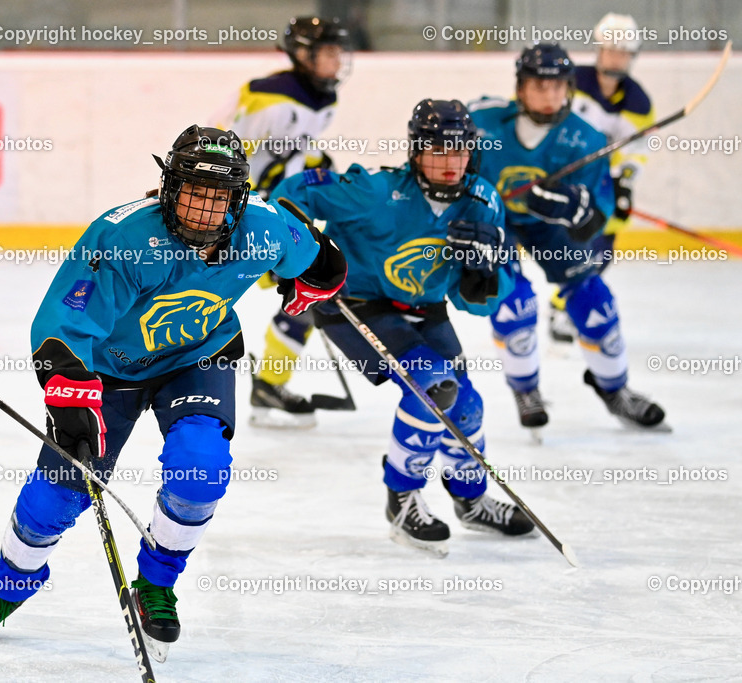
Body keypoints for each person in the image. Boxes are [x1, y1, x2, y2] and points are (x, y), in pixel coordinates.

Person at [0, 125, 346, 660]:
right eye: (193, 193)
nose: (204, 210)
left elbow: (318, 257)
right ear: (168, 187)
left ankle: (156, 584)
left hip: (197, 357)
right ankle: (12, 584)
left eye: (219, 197)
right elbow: (63, 327)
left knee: (200, 468)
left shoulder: (263, 228)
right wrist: (69, 396)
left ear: (240, 199)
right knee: (57, 494)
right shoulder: (123, 238)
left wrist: (318, 277)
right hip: (108, 370)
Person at [271, 100, 535, 556]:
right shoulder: (374, 192)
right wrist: (301, 256)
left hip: (426, 310)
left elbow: (472, 303)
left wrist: (486, 272)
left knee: (466, 406)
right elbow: (291, 195)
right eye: (437, 150)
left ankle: (471, 503)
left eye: (459, 152)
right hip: (356, 304)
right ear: (416, 151)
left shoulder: (484, 201)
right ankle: (403, 498)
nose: (450, 163)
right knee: (433, 388)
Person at [468, 43, 665, 432]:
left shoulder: (586, 140)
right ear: (520, 89)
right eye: (539, 86)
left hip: (548, 227)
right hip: (496, 220)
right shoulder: (484, 125)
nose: (549, 96)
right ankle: (525, 388)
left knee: (593, 298)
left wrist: (572, 209)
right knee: (513, 299)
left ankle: (616, 389)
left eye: (557, 87)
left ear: (570, 90)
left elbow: (597, 219)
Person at [212, 16, 351, 428]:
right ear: (303, 54)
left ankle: (269, 383)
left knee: (311, 285)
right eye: (328, 52)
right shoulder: (267, 100)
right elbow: (221, 151)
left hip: (271, 211)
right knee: (210, 297)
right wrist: (248, 194)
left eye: (338, 53)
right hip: (238, 216)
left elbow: (293, 151)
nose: (337, 61)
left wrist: (315, 165)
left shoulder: (322, 101)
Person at [548, 13, 655, 343]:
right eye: (610, 50)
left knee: (604, 245)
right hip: (560, 174)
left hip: (601, 181)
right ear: (599, 49)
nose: (615, 57)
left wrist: (624, 182)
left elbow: (636, 149)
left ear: (632, 56)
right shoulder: (572, 81)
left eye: (623, 52)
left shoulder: (638, 102)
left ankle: (561, 304)